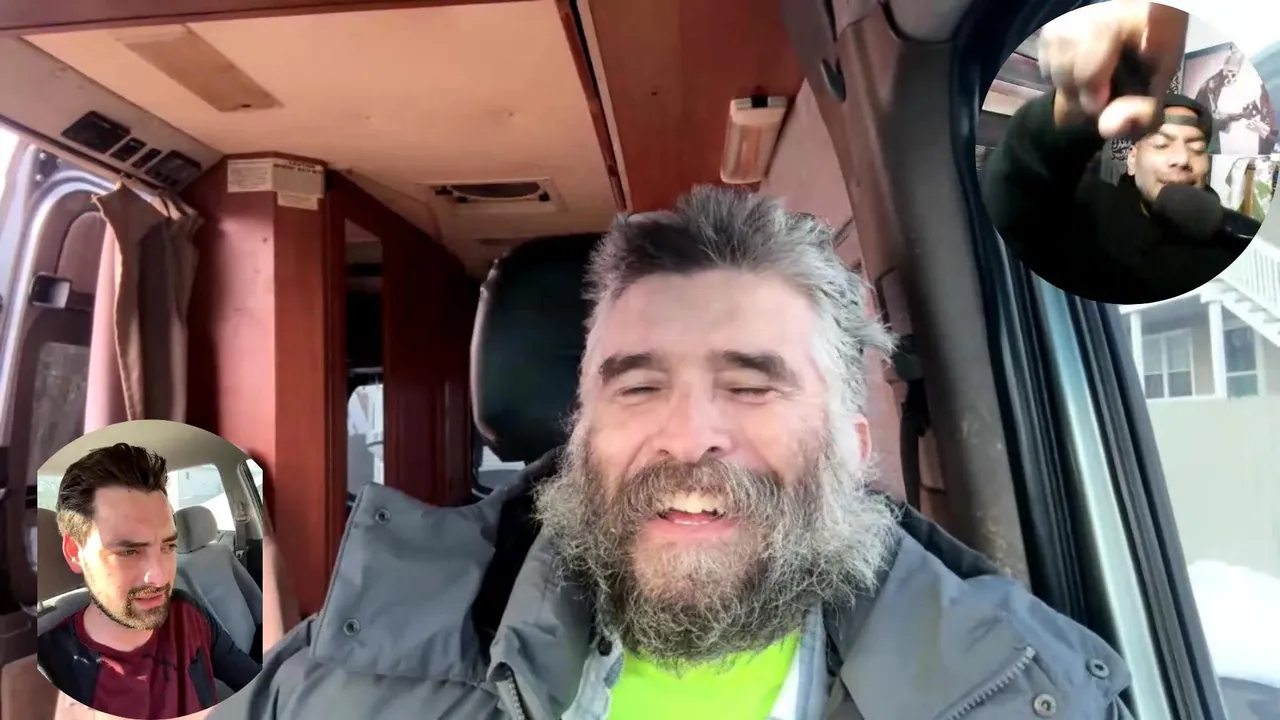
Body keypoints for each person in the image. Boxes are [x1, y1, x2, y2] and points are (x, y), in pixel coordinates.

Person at [208, 186, 1132, 719]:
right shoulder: (357, 657)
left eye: (752, 384)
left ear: (854, 451)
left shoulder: (1021, 690)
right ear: (582, 437)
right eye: (639, 387)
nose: (689, 437)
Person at [982, 1, 1250, 305]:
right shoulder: (1087, 214)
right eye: (1161, 144)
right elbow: (1016, 202)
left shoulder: (1237, 236)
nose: (1181, 159)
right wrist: (1070, 112)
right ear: (1132, 160)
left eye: (1196, 148)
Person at [38, 443, 260, 720]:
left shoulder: (186, 612)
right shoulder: (47, 670)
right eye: (129, 552)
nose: (159, 577)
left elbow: (258, 685)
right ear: (75, 552)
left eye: (168, 547)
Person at [1194, 45, 1278, 156]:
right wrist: (1239, 115)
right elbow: (1210, 118)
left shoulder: (1262, 87)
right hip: (1219, 142)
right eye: (1230, 72)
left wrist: (1265, 131)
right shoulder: (1211, 85)